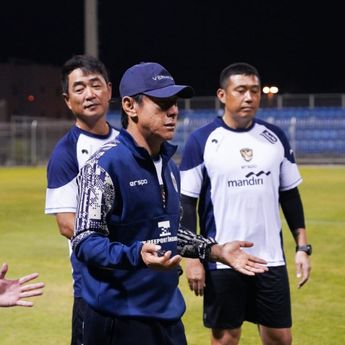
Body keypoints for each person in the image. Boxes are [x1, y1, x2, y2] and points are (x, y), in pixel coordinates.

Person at [71, 61, 268, 345]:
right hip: (118, 319)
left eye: (174, 103)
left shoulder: (169, 167)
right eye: (162, 103)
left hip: (167, 316)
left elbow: (167, 232)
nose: (173, 111)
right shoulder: (103, 165)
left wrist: (213, 250)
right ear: (130, 106)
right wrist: (137, 254)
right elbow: (85, 240)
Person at [179, 62, 312, 345]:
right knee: (226, 338)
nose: (249, 97)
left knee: (280, 338)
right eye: (241, 90)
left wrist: (302, 247)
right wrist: (192, 258)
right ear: (222, 95)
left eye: (254, 90)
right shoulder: (201, 141)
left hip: (270, 258)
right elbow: (187, 204)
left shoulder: (275, 137)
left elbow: (289, 195)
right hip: (223, 257)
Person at [45, 55, 119, 345]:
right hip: (93, 286)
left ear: (109, 91)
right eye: (79, 88)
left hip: (137, 279)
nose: (89, 94)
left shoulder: (127, 141)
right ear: (68, 99)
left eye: (95, 85)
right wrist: (124, 248)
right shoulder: (66, 152)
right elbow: (66, 223)